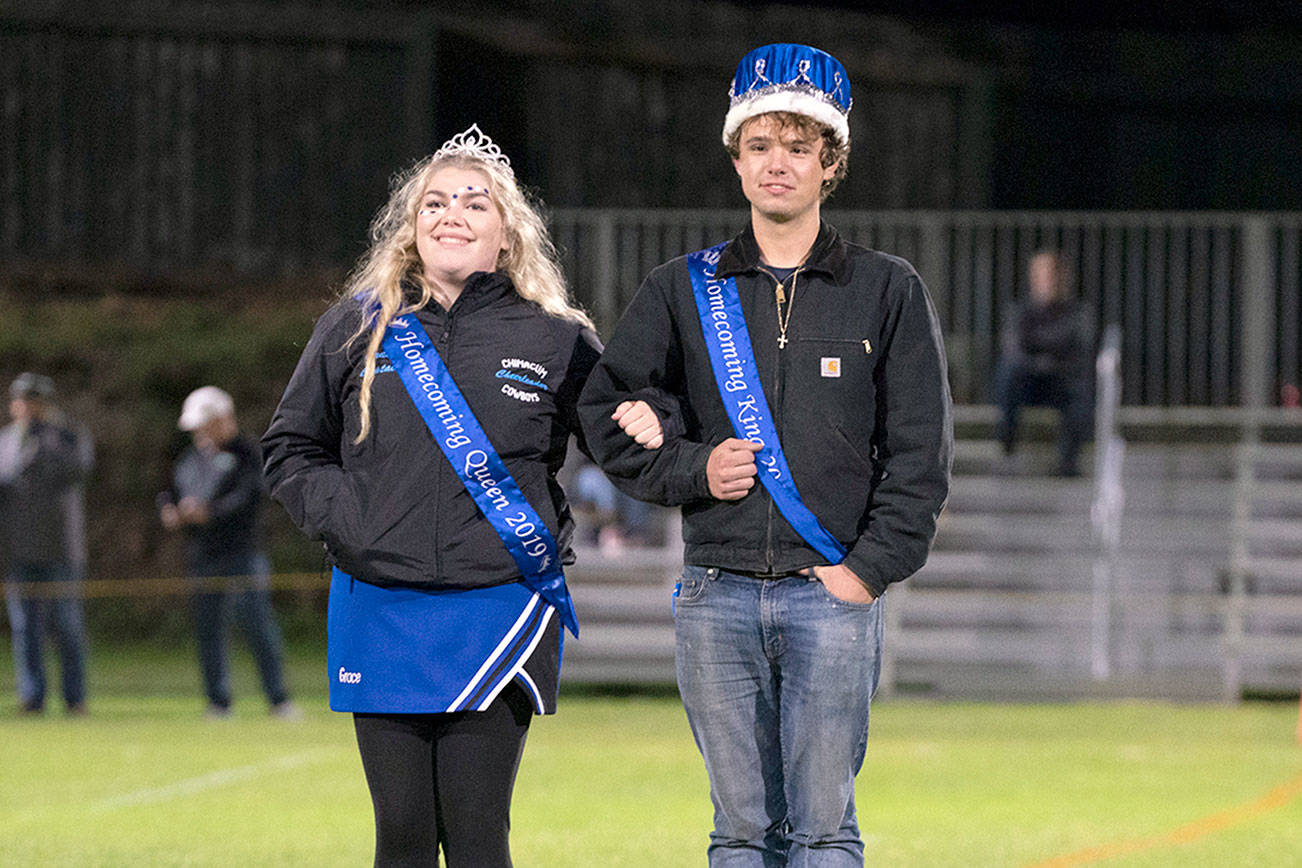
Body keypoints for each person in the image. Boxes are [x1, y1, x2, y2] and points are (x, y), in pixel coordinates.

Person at [579, 44, 953, 865]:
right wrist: (690, 468)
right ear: (736, 160)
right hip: (715, 594)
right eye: (758, 145)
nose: (775, 163)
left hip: (832, 596)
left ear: (831, 161)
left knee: (823, 833)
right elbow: (606, 407)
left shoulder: (888, 289)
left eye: (796, 145)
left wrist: (864, 573)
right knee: (740, 834)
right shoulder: (682, 287)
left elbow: (922, 456)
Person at [261, 125, 652, 867]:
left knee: (478, 838)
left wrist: (657, 418)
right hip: (380, 604)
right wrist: (356, 523)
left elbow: (622, 445)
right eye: (434, 203)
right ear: (410, 230)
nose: (452, 215)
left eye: (475, 204)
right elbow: (289, 448)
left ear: (506, 235)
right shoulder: (354, 326)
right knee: (401, 835)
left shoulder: (556, 338)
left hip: (499, 605)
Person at [159, 385, 295, 719]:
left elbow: (250, 497)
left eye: (205, 425)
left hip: (243, 553)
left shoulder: (249, 453)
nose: (199, 433)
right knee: (208, 629)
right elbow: (169, 489)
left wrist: (211, 512)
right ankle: (218, 702)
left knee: (257, 625)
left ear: (223, 419)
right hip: (202, 555)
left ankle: (279, 700)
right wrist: (170, 510)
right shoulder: (192, 456)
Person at [0, 372, 94, 716]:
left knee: (67, 626)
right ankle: (32, 697)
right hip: (17, 551)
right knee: (26, 629)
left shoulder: (68, 436)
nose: (26, 407)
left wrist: (46, 438)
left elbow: (76, 471)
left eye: (34, 400)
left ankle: (75, 698)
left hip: (59, 549)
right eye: (21, 400)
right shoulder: (5, 440)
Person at [993, 250, 1093, 477]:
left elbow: (1080, 352)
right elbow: (1014, 350)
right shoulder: (1019, 311)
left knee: (1081, 390)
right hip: (1028, 381)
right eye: (1041, 274)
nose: (1047, 280)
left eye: (1052, 274)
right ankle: (1007, 450)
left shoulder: (1078, 313)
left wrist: (1041, 352)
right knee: (1007, 374)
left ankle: (1068, 461)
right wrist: (1045, 358)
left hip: (1061, 383)